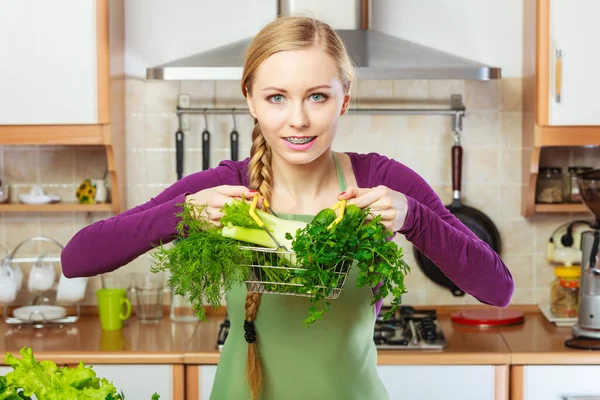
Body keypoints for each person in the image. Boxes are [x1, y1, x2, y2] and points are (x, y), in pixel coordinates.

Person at [61, 15, 514, 400]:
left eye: (317, 96)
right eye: (277, 97)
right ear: (251, 100)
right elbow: (78, 257)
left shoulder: (384, 181)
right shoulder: (225, 185)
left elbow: (498, 289)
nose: (297, 119)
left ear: (345, 100)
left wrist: (415, 218)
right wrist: (181, 214)